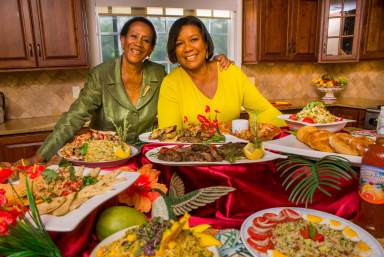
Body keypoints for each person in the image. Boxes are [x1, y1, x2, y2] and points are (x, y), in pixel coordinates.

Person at [26, 17, 231, 163]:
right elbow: (74, 117)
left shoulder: (159, 74)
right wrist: (41, 154)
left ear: (151, 49)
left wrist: (212, 61)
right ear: (123, 40)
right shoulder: (101, 75)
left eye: (146, 40)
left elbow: (187, 74)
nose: (138, 44)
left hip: (145, 159)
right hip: (103, 160)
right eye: (133, 36)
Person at [158, 16, 286, 129]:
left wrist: (293, 130)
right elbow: (169, 136)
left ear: (206, 44)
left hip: (233, 153)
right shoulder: (171, 84)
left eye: (194, 39)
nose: (188, 48)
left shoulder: (229, 72)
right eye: (179, 43)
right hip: (191, 155)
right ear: (174, 51)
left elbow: (264, 111)